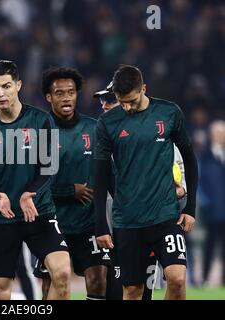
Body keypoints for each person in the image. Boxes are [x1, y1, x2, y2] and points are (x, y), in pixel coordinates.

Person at [94, 65, 198, 300]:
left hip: (165, 216)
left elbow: (190, 160)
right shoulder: (107, 123)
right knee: (133, 290)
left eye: (131, 100)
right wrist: (101, 223)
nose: (127, 107)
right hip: (128, 221)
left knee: (178, 280)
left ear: (144, 88)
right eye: (122, 102)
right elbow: (100, 176)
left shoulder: (169, 112)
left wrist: (190, 208)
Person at [0, 60, 71, 300]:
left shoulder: (40, 120)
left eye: (6, 86)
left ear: (18, 85)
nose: (0, 93)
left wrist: (30, 193)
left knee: (62, 273)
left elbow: (49, 167)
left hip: (39, 212)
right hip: (1, 218)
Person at [33, 67, 112, 301]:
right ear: (49, 97)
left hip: (87, 221)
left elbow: (108, 173)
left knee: (99, 279)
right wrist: (70, 191)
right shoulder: (39, 131)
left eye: (71, 92)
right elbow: (32, 184)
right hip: (51, 222)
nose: (66, 97)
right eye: (59, 93)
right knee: (52, 283)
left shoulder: (93, 128)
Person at [199, 120, 225, 285]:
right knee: (209, 245)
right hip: (212, 211)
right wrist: (206, 204)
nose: (220, 136)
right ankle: (206, 278)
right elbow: (199, 184)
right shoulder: (205, 157)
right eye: (217, 133)